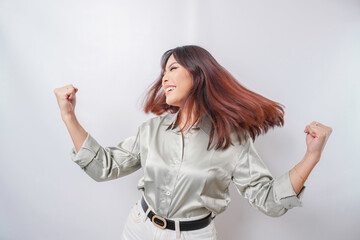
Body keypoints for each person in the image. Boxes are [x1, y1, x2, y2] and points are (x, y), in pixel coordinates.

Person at [54, 45, 333, 240]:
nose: (164, 77)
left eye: (173, 68)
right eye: (163, 71)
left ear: (199, 73)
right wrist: (69, 117)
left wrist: (311, 157)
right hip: (138, 228)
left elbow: (269, 201)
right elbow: (103, 167)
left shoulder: (233, 141)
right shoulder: (151, 130)